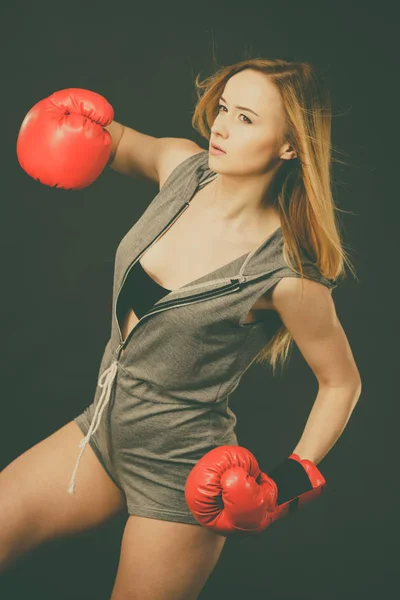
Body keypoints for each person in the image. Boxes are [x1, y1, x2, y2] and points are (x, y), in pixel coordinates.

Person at [3, 58, 361, 598]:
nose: (219, 126)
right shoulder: (184, 170)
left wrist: (291, 478)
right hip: (100, 434)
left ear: (289, 146)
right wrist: (70, 120)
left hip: (181, 475)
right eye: (222, 108)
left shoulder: (285, 274)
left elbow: (342, 383)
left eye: (245, 118)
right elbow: (118, 140)